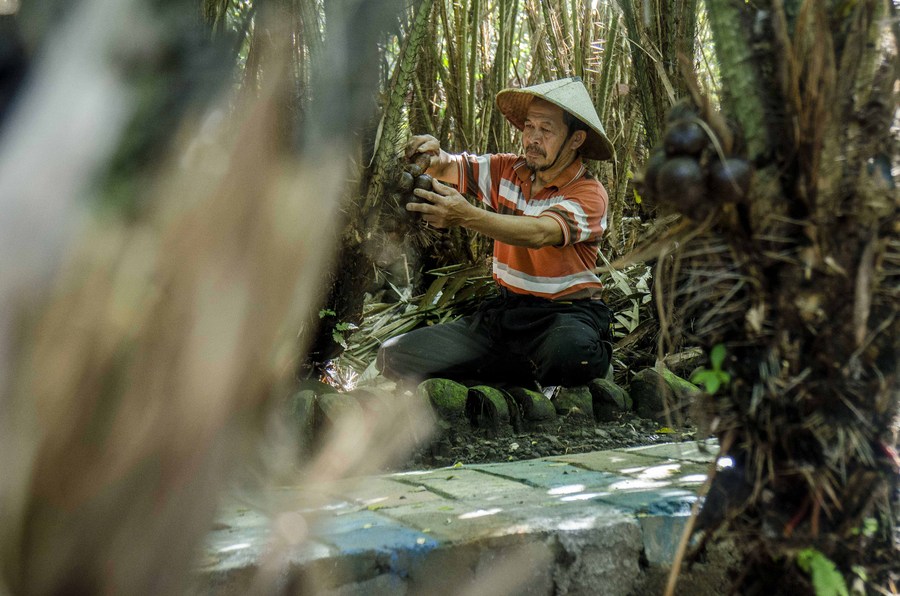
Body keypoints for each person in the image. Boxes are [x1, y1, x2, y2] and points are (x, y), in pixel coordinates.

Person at [377, 77, 614, 393]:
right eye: (529, 126)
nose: (532, 138)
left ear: (575, 139)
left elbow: (540, 232)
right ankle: (520, 378)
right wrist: (431, 154)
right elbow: (450, 166)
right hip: (504, 317)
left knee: (572, 353)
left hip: (564, 317)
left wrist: (466, 216)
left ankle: (519, 376)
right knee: (393, 355)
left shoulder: (590, 193)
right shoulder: (507, 170)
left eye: (546, 129)